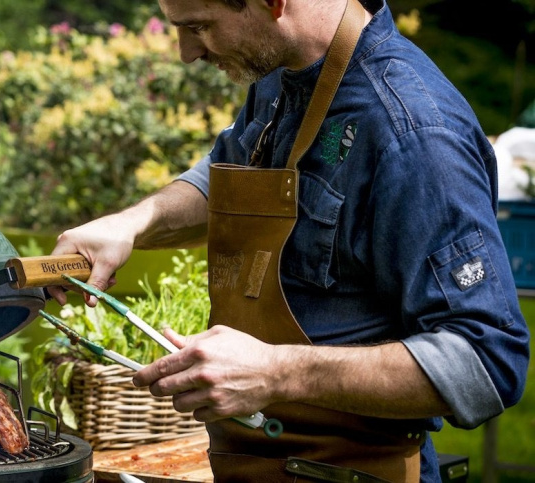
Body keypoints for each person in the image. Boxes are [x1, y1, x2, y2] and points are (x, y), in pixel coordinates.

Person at [48, 0, 531, 481]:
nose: (187, 52)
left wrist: (277, 371)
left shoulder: (414, 135)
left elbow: (486, 361)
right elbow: (231, 176)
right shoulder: (282, 70)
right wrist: (133, 223)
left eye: (198, 26)